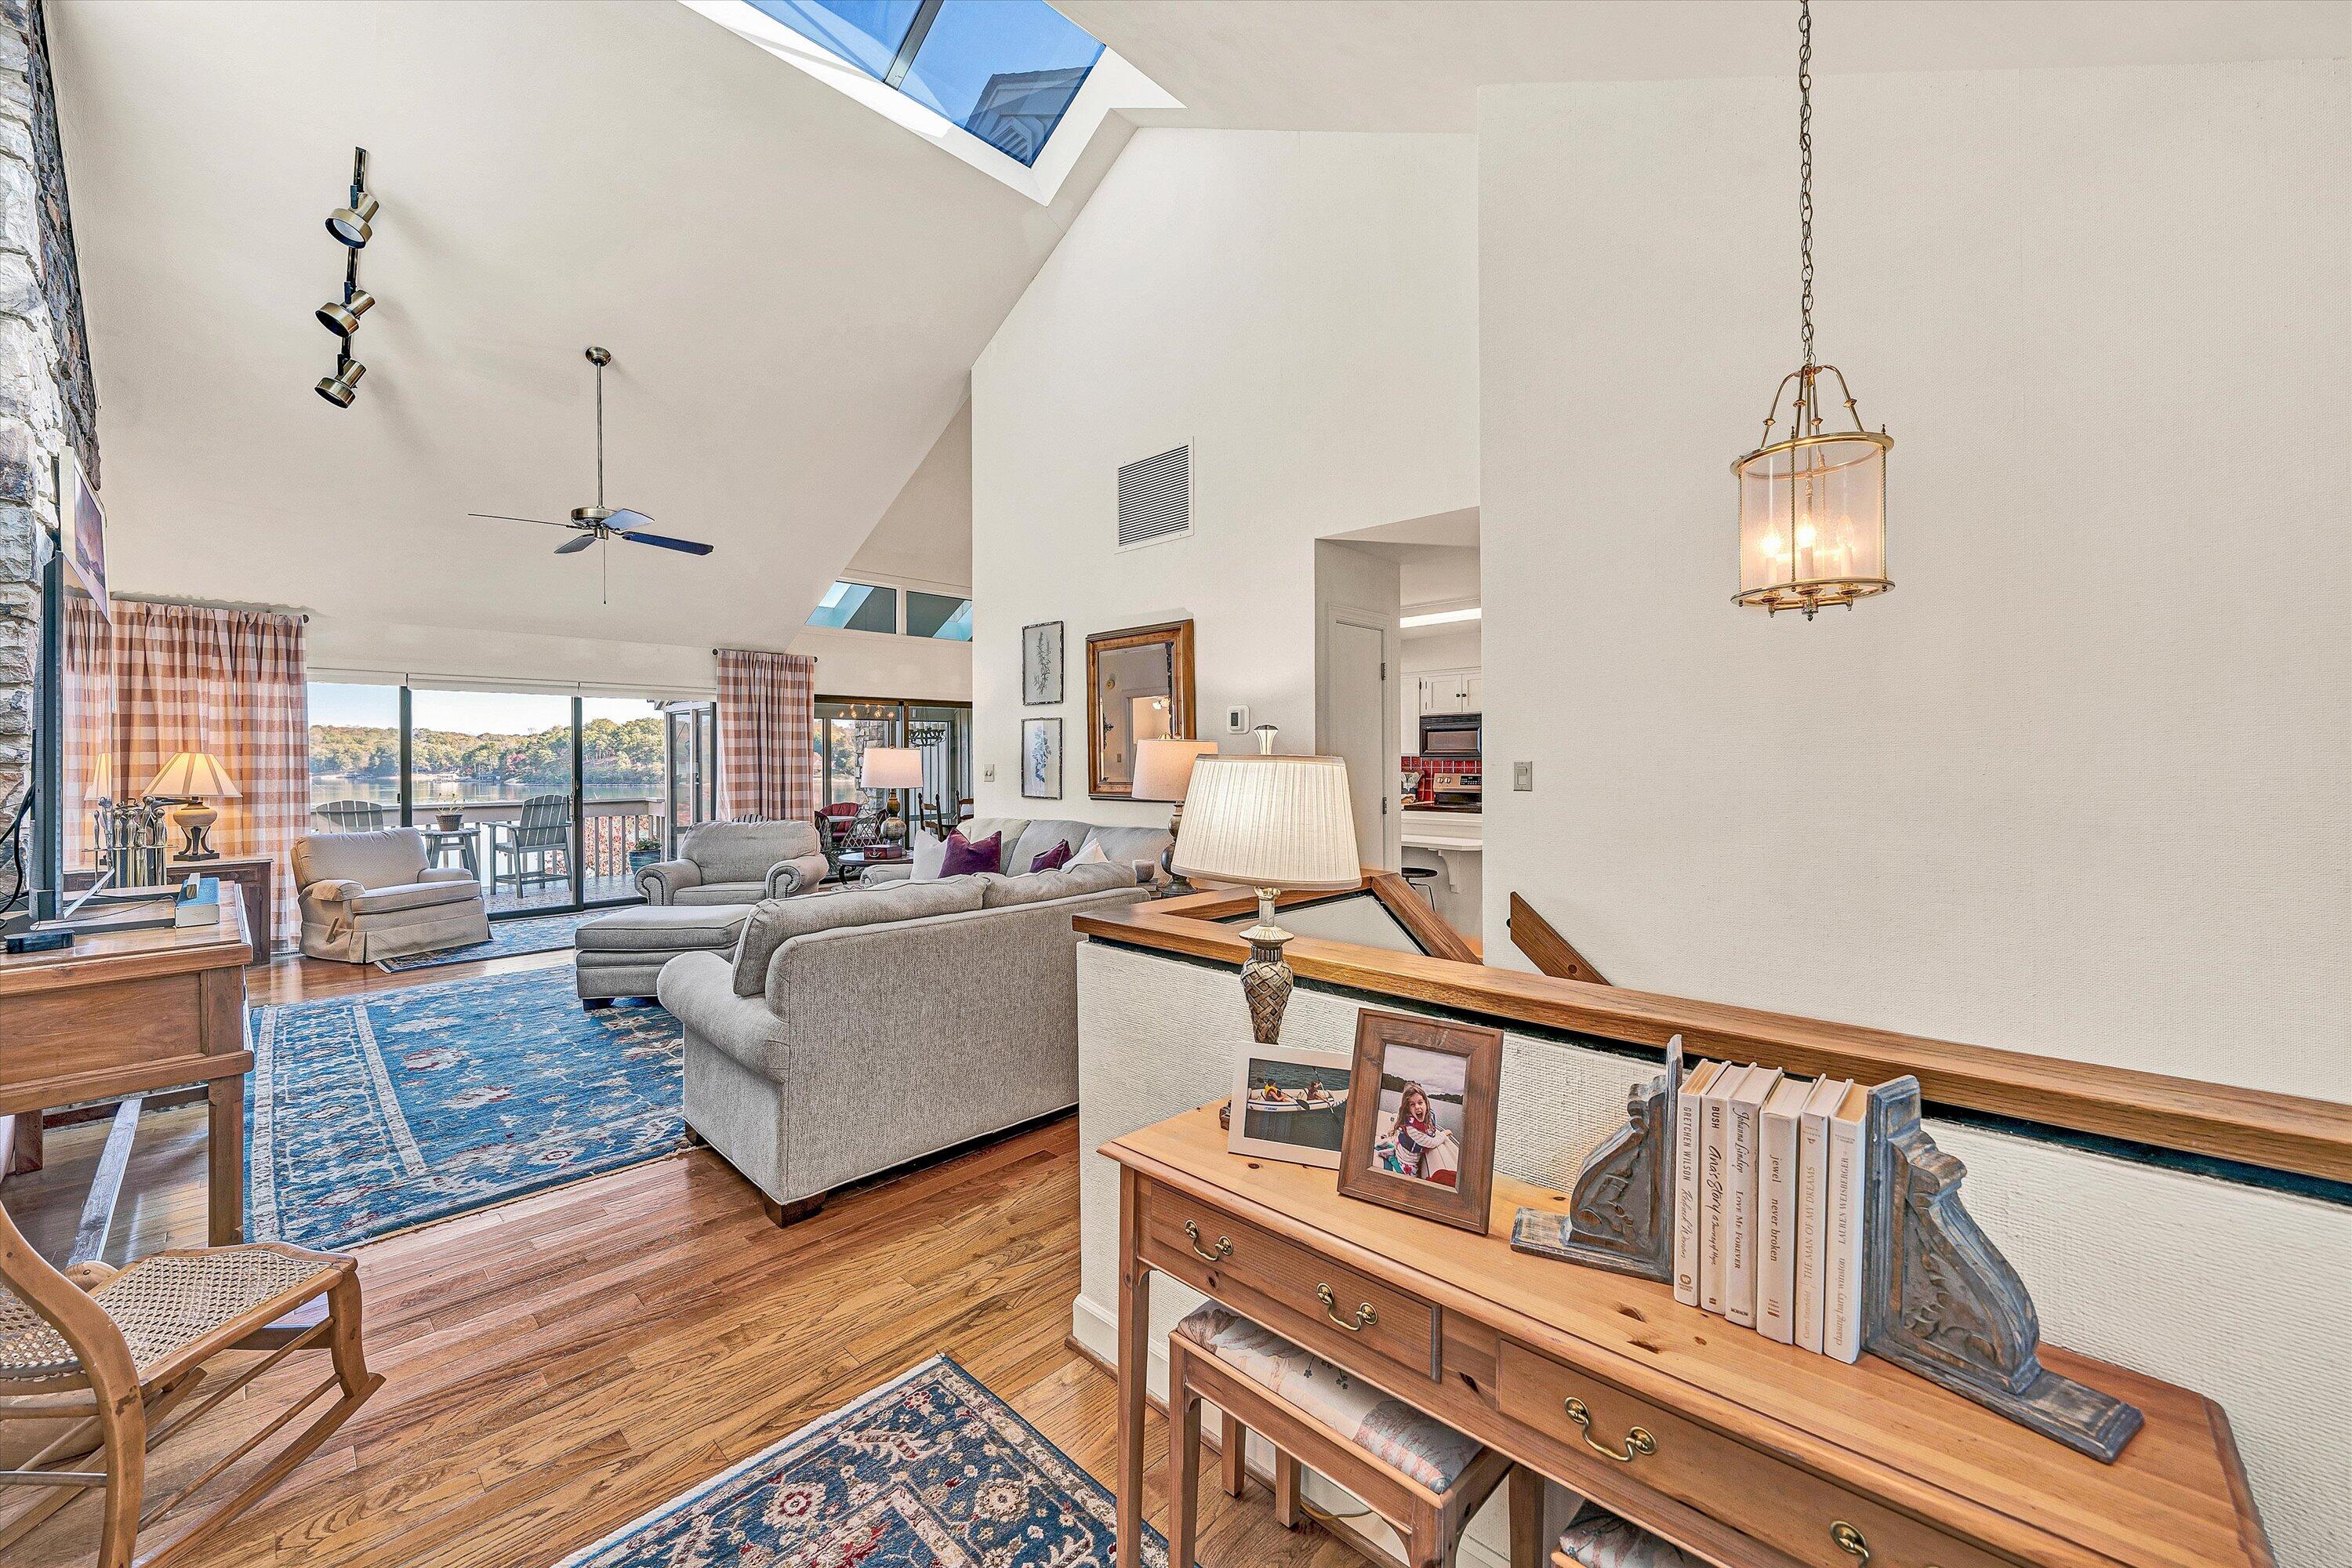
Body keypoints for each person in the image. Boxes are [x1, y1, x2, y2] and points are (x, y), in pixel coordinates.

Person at [1374, 1082, 1453, 1179]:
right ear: (1408, 1108)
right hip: (1406, 1159)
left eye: (1420, 1102)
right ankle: (1391, 1157)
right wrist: (1444, 1135)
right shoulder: (1411, 1129)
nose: (1417, 1107)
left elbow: (1430, 1131)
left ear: (1426, 1104)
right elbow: (1432, 1143)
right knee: (1410, 1177)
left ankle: (1391, 1150)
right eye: (1412, 1104)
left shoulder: (1429, 1116)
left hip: (1401, 1147)